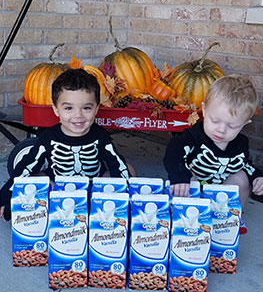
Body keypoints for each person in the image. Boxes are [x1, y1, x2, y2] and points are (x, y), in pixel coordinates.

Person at [0, 68, 135, 221]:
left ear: (97, 108)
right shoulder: (48, 137)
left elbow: (116, 163)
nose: (78, 115)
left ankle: (99, 206)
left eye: (86, 108)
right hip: (57, 187)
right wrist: (6, 197)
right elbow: (25, 167)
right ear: (56, 109)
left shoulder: (100, 135)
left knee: (128, 168)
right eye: (68, 108)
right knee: (33, 177)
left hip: (93, 184)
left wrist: (131, 200)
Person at [163, 74, 263, 234]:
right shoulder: (192, 137)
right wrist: (179, 176)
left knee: (242, 178)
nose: (221, 130)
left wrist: (257, 177)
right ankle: (187, 220)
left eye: (231, 126)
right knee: (189, 176)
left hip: (223, 190)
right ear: (204, 109)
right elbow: (173, 153)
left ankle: (231, 218)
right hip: (195, 189)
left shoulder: (240, 144)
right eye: (215, 121)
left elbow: (245, 165)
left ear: (244, 125)